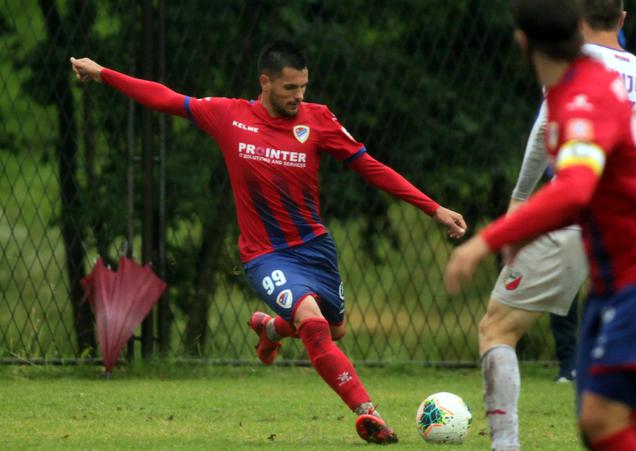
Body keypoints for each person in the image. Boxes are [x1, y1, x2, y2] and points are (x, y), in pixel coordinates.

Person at [70, 40, 467, 444]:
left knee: (335, 329)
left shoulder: (319, 120)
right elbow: (166, 97)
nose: (299, 97)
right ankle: (368, 413)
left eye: (303, 88)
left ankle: (271, 330)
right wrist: (103, 73)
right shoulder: (229, 116)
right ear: (265, 82)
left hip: (315, 248)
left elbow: (371, 167)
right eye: (290, 88)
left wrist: (433, 209)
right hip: (264, 254)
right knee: (312, 323)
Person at [445, 0, 636, 449]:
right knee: (604, 422)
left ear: (522, 42)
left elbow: (574, 188)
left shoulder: (583, 94)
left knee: (603, 420)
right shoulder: (607, 81)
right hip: (626, 262)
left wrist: (486, 240)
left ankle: (505, 444)